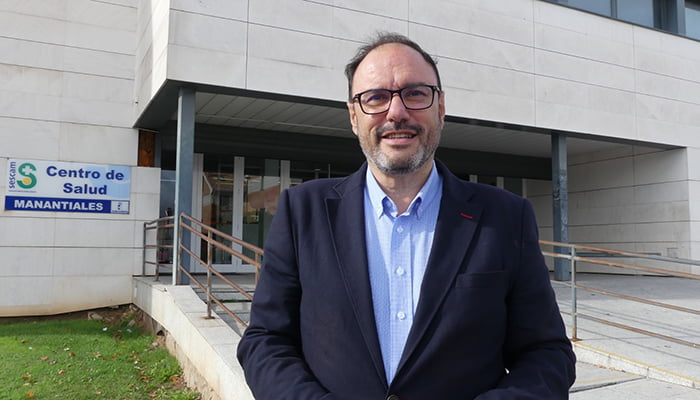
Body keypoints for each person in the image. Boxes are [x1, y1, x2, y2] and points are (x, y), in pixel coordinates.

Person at [237, 32, 576, 400]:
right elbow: (265, 341)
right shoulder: (301, 211)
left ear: (440, 108)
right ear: (354, 117)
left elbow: (546, 354)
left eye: (415, 94)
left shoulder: (505, 217)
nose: (396, 112)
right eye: (375, 97)